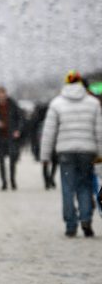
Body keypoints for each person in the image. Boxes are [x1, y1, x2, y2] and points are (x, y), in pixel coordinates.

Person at [39, 71, 102, 238]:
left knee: (67, 188)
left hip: (65, 152)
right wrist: (100, 155)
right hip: (87, 151)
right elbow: (99, 132)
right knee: (85, 186)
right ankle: (86, 219)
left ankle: (70, 225)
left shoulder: (57, 103)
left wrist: (45, 156)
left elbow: (49, 132)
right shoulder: (93, 103)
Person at [0, 86, 24, 190]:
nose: (1, 95)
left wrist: (18, 130)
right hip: (0, 137)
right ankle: (4, 182)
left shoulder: (13, 105)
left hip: (11, 136)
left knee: (13, 159)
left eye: (2, 93)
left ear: (5, 94)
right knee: (1, 161)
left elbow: (20, 119)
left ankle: (12, 180)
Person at [29, 103, 57, 190]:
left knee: (45, 163)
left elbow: (32, 134)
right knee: (54, 162)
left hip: (41, 144)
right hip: (53, 143)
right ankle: (51, 178)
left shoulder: (36, 120)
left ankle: (47, 181)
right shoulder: (53, 119)